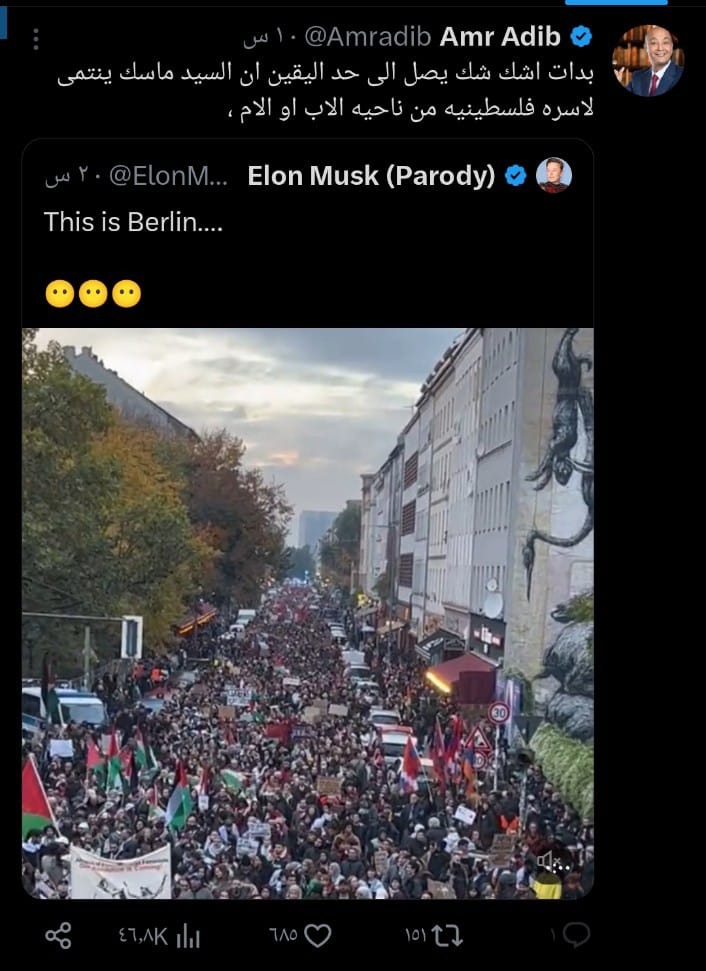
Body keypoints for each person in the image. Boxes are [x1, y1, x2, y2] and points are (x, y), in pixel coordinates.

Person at [616, 26, 683, 97]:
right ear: (645, 48)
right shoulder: (637, 77)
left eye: (665, 42)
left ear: (672, 46)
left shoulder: (680, 74)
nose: (660, 48)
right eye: (654, 43)